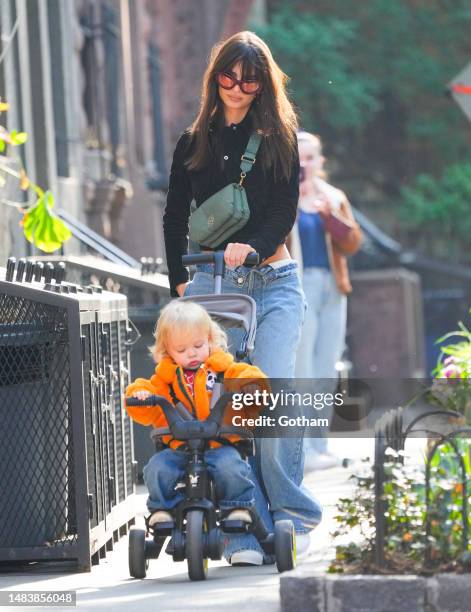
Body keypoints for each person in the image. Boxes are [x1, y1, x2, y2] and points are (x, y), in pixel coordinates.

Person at [163, 31, 321, 564]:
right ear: (216, 77)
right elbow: (175, 214)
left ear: (263, 82)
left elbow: (284, 210)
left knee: (271, 396)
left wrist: (252, 249)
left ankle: (292, 513)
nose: (237, 86)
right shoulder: (195, 141)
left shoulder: (280, 138)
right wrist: (176, 280)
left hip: (273, 281)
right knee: (223, 405)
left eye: (248, 78)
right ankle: (240, 525)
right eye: (228, 76)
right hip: (215, 285)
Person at [125, 300, 270, 541]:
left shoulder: (224, 370)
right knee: (158, 468)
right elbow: (146, 401)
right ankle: (162, 510)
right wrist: (140, 396)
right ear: (167, 352)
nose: (191, 353)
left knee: (231, 467)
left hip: (220, 444)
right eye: (181, 350)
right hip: (180, 447)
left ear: (211, 340)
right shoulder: (166, 380)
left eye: (198, 345)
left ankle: (237, 506)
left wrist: (252, 387)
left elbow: (249, 376)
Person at [290, 132, 362, 470]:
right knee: (301, 369)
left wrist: (328, 217)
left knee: (325, 368)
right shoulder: (282, 197)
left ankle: (319, 445)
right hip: (299, 289)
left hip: (333, 288)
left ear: (321, 162)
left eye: (310, 158)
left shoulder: (334, 197)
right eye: (298, 158)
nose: (304, 165)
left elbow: (352, 244)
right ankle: (300, 449)